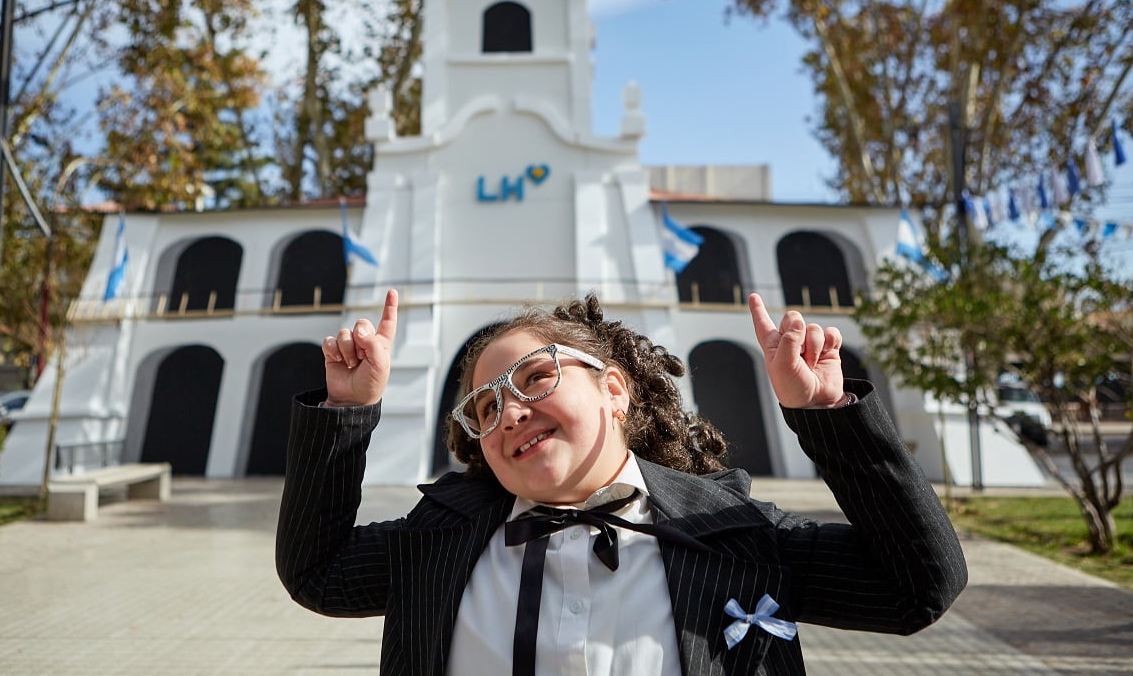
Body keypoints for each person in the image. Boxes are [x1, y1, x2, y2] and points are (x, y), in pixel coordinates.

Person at [276, 289, 967, 676]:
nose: (510, 409)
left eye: (536, 376)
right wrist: (347, 412)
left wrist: (826, 417)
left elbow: (916, 587)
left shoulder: (737, 534)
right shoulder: (437, 539)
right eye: (486, 406)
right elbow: (317, 570)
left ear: (614, 390)